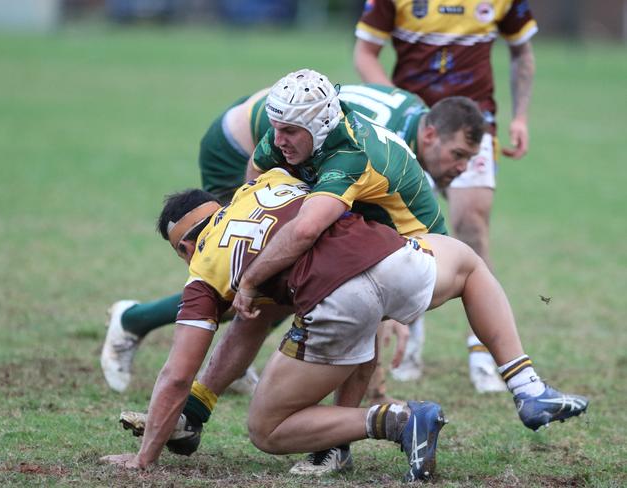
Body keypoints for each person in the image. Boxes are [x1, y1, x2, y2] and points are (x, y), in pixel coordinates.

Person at [100, 168, 588, 483]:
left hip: (337, 301)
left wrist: (145, 458)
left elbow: (177, 373)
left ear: (184, 247)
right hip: (392, 256)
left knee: (267, 429)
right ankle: (526, 384)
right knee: (469, 263)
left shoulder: (203, 268)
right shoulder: (268, 181)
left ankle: (395, 420)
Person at [101, 82, 483, 395]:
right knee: (247, 275)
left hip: (286, 139)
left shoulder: (400, 135)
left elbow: (372, 257)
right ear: (430, 134)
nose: (461, 170)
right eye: (457, 155)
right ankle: (135, 322)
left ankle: (221, 376)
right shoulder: (369, 149)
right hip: (239, 145)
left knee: (288, 275)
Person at [353, 0, 538, 393]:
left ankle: (482, 352)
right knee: (404, 232)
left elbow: (521, 50)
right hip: (415, 130)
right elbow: (365, 51)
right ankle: (410, 336)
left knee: (471, 226)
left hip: (475, 129)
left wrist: (520, 116)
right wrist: (398, 103)